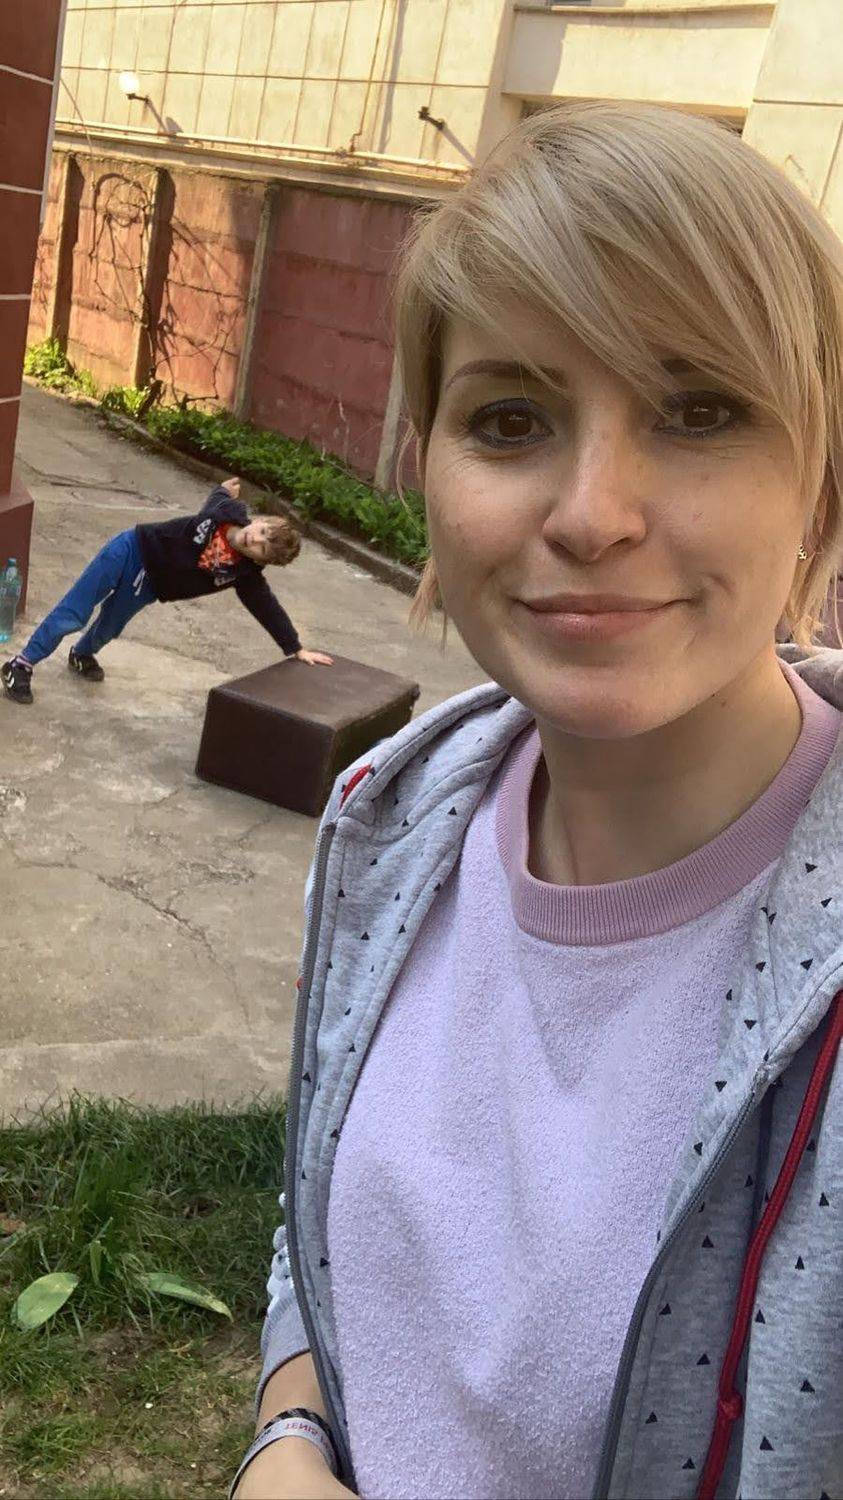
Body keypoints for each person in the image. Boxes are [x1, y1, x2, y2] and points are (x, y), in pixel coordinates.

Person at [232, 103, 843, 1500]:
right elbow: (319, 1230)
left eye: (698, 411)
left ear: (818, 485)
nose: (589, 511)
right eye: (510, 419)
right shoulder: (386, 821)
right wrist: (288, 1430)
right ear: (428, 473)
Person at [1, 478, 332, 704]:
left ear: (262, 561)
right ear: (259, 521)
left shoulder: (244, 574)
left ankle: (82, 653)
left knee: (111, 626)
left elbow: (266, 607)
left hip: (149, 586)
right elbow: (217, 496)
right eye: (262, 531)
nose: (255, 539)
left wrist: (295, 647)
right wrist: (223, 488)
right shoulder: (226, 513)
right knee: (76, 611)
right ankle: (21, 664)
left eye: (262, 548)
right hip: (130, 550)